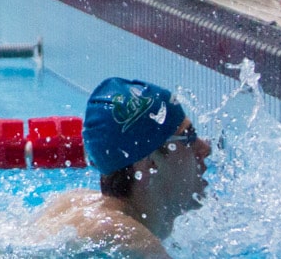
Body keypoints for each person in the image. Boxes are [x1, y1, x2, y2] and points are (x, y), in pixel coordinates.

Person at [36, 77, 212, 257]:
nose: (206, 148)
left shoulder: (72, 203)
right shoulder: (130, 240)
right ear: (149, 165)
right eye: (188, 137)